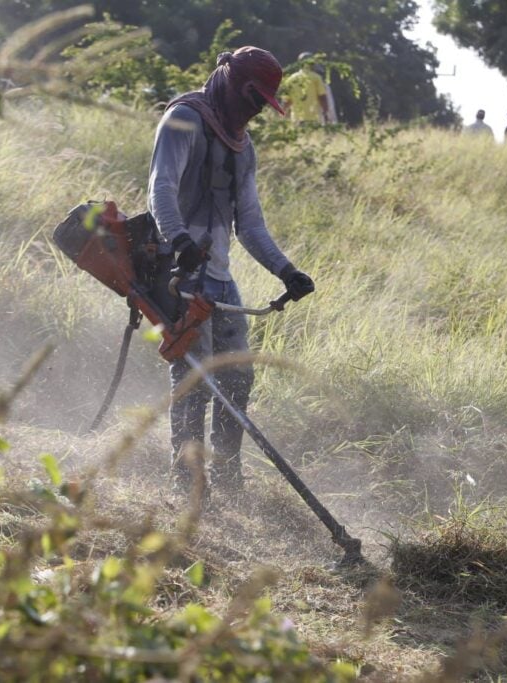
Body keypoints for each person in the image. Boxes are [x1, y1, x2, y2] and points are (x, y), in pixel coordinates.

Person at [147, 46, 315, 492]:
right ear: (230, 83)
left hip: (219, 276)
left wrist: (286, 271)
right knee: (194, 377)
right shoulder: (183, 119)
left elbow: (250, 225)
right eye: (254, 99)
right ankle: (185, 478)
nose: (257, 110)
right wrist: (178, 241)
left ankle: (227, 476)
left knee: (238, 378)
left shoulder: (243, 148)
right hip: (178, 272)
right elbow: (160, 187)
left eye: (264, 103)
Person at [282, 52, 330, 124]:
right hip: (313, 118)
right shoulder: (316, 78)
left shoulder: (291, 79)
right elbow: (322, 97)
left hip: (296, 119)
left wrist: (282, 117)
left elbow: (287, 101)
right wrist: (326, 114)